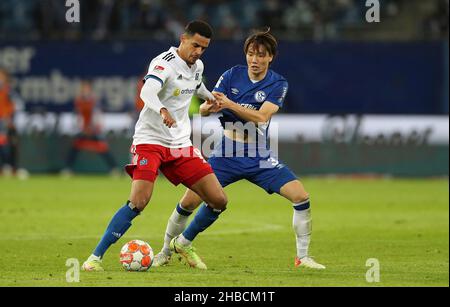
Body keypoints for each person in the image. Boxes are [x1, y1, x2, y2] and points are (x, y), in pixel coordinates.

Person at [153, 29, 325, 270]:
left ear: (270, 57)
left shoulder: (277, 83)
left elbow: (262, 117)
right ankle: (165, 251)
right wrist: (208, 108)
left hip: (259, 155)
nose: (254, 60)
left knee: (300, 196)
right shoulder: (232, 75)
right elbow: (205, 107)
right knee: (188, 202)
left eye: (260, 55)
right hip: (225, 153)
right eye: (251, 54)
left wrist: (230, 104)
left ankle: (302, 257)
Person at [81, 20, 227, 271]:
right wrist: (161, 109)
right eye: (195, 45)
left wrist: (211, 98)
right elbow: (146, 92)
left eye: (204, 48)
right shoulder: (164, 63)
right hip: (150, 141)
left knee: (218, 200)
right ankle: (94, 258)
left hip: (179, 143)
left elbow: (197, 85)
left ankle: (183, 243)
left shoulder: (197, 65)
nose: (198, 52)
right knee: (139, 201)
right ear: (183, 39)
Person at [61, 80, 118, 176]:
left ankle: (114, 169)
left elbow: (97, 115)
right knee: (75, 147)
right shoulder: (78, 101)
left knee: (103, 148)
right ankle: (67, 169)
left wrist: (93, 128)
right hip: (83, 130)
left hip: (94, 130)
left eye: (86, 88)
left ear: (90, 89)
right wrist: (82, 128)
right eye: (83, 88)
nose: (84, 90)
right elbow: (78, 116)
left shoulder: (94, 101)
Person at [0, 68, 23, 177]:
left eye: (1, 76)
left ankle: (12, 168)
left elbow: (18, 105)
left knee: (11, 144)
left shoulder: (8, 91)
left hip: (6, 122)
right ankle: (6, 167)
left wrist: (10, 119)